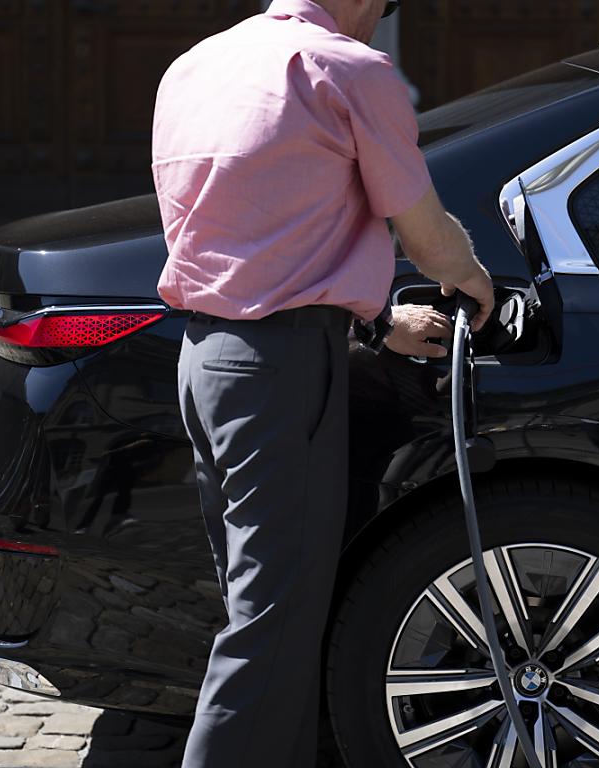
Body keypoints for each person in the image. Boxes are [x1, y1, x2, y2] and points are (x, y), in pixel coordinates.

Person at [149, 1, 494, 766]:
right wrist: (471, 278)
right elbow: (427, 237)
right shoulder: (346, 68)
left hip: (204, 359)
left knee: (261, 619)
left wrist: (374, 322)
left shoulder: (195, 65)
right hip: (280, 371)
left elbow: (261, 238)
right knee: (270, 630)